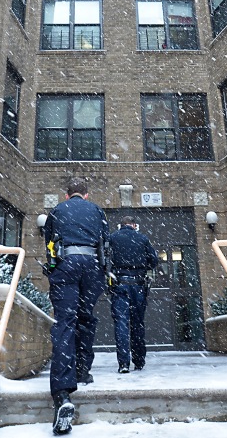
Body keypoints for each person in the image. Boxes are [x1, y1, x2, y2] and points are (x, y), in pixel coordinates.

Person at [42, 177, 109, 435]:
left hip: (66, 265)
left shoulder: (58, 210)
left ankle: (62, 394)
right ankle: (83, 369)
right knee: (86, 317)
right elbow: (106, 242)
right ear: (87, 195)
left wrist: (52, 267)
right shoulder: (97, 211)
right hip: (92, 267)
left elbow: (49, 243)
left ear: (67, 195)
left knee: (64, 323)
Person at [108, 216, 158, 374]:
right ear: (134, 225)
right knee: (137, 324)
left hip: (119, 283)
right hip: (138, 285)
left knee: (121, 324)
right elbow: (154, 260)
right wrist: (142, 266)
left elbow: (105, 259)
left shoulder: (113, 238)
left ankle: (123, 363)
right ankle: (139, 360)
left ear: (120, 225)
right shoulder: (142, 238)